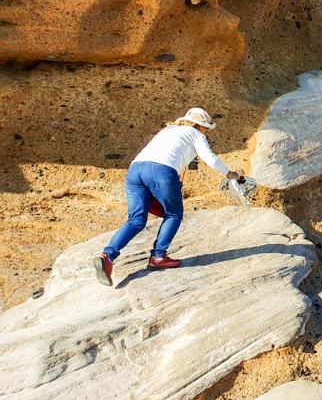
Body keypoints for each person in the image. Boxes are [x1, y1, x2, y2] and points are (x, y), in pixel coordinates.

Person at [93, 107, 242, 286]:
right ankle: (158, 256)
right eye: (206, 128)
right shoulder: (196, 134)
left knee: (135, 220)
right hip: (161, 171)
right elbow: (210, 159)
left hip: (135, 170)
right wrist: (230, 173)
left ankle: (107, 256)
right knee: (174, 214)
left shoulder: (167, 130)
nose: (206, 131)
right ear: (199, 125)